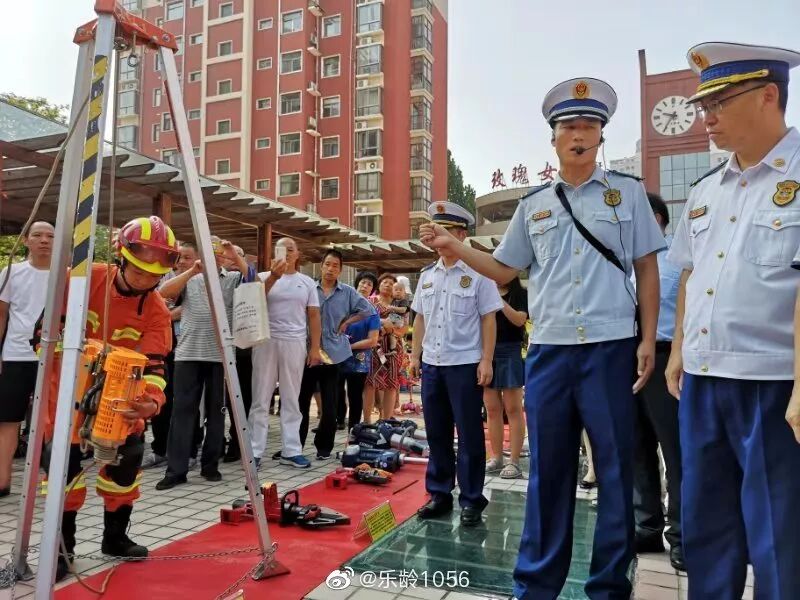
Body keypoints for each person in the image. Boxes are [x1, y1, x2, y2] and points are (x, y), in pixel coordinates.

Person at [420, 78, 664, 598]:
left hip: (610, 347)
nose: (579, 134)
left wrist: (647, 338)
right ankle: (536, 584)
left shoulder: (628, 194)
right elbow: (504, 269)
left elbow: (646, 267)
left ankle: (608, 587)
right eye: (569, 126)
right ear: (553, 139)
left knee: (615, 471)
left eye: (589, 125)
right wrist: (454, 246)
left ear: (601, 136)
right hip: (550, 352)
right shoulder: (534, 206)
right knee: (548, 471)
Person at [665, 42, 800, 599]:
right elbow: (689, 276)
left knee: (779, 536)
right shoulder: (705, 191)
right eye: (703, 105)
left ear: (768, 95)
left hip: (773, 384)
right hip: (702, 382)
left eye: (720, 102)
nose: (708, 116)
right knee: (707, 529)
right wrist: (678, 350)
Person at [39, 216, 176, 581]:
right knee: (63, 470)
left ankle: (115, 538)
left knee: (126, 464)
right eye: (140, 271)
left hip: (121, 404)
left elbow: (155, 366)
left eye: (154, 276)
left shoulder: (157, 311)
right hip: (66, 398)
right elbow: (43, 335)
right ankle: (62, 550)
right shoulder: (82, 280)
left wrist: (151, 403)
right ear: (122, 260)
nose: (146, 280)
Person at [411, 200, 503, 527]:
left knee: (469, 434)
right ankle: (439, 493)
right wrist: (414, 355)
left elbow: (489, 319)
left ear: (461, 234)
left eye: (445, 230)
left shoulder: (479, 273)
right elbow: (420, 318)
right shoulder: (427, 275)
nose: (437, 236)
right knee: (436, 432)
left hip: (464, 364)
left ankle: (472, 499)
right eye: (435, 229)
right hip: (432, 364)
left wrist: (487, 360)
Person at [156, 236, 251, 490]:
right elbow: (163, 293)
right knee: (182, 412)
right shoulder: (190, 277)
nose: (215, 254)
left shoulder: (232, 278)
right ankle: (176, 470)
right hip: (188, 353)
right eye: (210, 249)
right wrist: (192, 270)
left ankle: (210, 466)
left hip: (220, 355)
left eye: (218, 250)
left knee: (216, 412)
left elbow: (253, 280)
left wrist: (234, 253)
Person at [632, 192, 685, 571]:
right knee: (637, 447)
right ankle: (646, 526)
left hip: (666, 358)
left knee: (676, 450)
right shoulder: (622, 262)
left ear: (657, 219)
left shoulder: (678, 260)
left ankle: (683, 534)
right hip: (625, 358)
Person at [249, 237, 321, 469]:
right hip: (265, 341)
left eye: (291, 250)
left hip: (294, 342)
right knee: (261, 397)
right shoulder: (262, 277)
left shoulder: (307, 282)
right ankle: (255, 450)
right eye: (282, 249)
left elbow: (314, 316)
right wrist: (273, 276)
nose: (287, 253)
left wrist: (315, 348)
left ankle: (291, 450)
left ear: (297, 254)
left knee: (291, 397)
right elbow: (254, 301)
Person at [297, 250, 372, 459]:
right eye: (327, 264)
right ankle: (295, 446)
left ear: (340, 269)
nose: (330, 269)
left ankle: (324, 447)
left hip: (334, 353)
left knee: (330, 404)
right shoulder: (309, 288)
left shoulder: (347, 292)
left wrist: (348, 321)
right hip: (306, 351)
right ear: (321, 266)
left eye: (335, 266)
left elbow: (367, 310)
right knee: (301, 402)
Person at [0, 222, 54, 495]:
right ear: (26, 240)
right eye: (38, 235)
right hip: (15, 354)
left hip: (55, 356)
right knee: (8, 418)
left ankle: (52, 480)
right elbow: (1, 315)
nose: (44, 240)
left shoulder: (67, 275)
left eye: (50, 236)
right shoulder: (11, 272)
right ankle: (2, 480)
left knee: (52, 419)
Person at [142, 241, 200, 470]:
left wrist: (166, 313)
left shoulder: (200, 280)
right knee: (160, 397)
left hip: (191, 347)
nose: (182, 262)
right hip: (163, 347)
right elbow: (155, 303)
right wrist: (166, 312)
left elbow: (186, 310)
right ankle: (160, 449)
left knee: (186, 401)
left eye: (187, 257)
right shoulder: (164, 278)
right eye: (179, 257)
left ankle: (190, 450)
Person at [483, 276, 528, 480]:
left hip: (511, 351)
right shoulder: (483, 292)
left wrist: (498, 300)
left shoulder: (521, 294)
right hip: (487, 352)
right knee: (492, 409)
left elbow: (519, 319)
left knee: (513, 408)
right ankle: (497, 457)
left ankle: (514, 461)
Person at [222, 244, 255, 463]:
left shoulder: (246, 280)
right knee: (219, 399)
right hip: (216, 348)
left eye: (238, 255)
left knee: (241, 397)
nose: (233, 259)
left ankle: (238, 442)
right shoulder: (216, 280)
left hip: (242, 348)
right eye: (228, 256)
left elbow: (251, 277)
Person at [337, 271, 381, 430]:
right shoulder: (343, 305)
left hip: (359, 358)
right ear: (357, 284)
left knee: (355, 394)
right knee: (335, 390)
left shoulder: (372, 312)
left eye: (369, 284)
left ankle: (354, 427)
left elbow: (372, 340)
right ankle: (338, 420)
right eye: (363, 282)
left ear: (372, 290)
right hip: (338, 355)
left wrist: (349, 347)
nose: (365, 286)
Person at [365, 273, 407, 422]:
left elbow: (403, 329)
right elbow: (364, 321)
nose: (388, 285)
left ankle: (386, 420)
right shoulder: (370, 302)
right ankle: (367, 420)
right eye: (385, 282)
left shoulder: (400, 305)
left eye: (391, 283)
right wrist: (382, 323)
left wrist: (390, 329)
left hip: (393, 349)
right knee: (370, 382)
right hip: (374, 346)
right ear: (379, 284)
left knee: (391, 383)